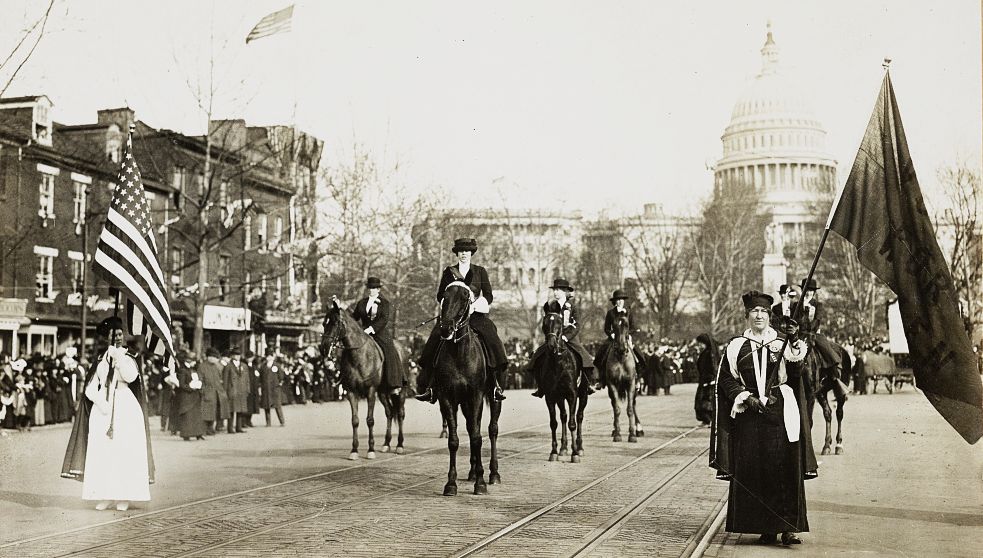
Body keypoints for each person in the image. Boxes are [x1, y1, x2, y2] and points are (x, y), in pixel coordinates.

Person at [710, 290, 816, 546]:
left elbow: (796, 371)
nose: (759, 316)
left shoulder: (782, 343)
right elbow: (725, 378)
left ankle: (789, 527)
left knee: (785, 467)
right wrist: (745, 397)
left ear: (770, 316)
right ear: (747, 315)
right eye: (754, 312)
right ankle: (765, 526)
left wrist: (793, 339)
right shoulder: (736, 346)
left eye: (764, 312)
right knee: (756, 470)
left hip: (780, 410)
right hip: (750, 413)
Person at [61, 316, 154, 511]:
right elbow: (90, 387)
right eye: (114, 334)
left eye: (120, 334)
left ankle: (124, 496)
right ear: (107, 337)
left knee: (123, 451)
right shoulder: (101, 360)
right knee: (103, 452)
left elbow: (131, 377)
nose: (118, 337)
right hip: (104, 409)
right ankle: (105, 493)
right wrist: (100, 402)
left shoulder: (129, 357)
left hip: (125, 405)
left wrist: (119, 358)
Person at [415, 237, 507, 403]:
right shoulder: (448, 272)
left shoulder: (480, 271)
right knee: (434, 340)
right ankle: (429, 386)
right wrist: (448, 308)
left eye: (467, 251)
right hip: (452, 316)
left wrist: (475, 306)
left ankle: (495, 384)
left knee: (492, 338)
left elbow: (488, 295)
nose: (464, 254)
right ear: (457, 254)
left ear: (471, 253)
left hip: (475, 315)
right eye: (461, 251)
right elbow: (440, 295)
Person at [529, 278, 599, 397]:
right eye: (554, 290)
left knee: (585, 358)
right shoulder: (551, 306)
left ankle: (587, 384)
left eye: (558, 290)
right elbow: (546, 323)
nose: (555, 292)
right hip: (554, 339)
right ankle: (541, 386)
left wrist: (566, 337)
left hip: (570, 339)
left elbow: (577, 325)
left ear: (565, 291)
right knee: (537, 356)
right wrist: (549, 335)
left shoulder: (573, 307)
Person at [351, 277, 406, 395]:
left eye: (374, 288)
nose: (372, 290)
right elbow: (354, 318)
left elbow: (384, 319)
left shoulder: (384, 303)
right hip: (363, 333)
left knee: (390, 350)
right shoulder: (361, 303)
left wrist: (371, 329)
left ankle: (394, 383)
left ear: (378, 289)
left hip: (379, 332)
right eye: (370, 288)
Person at [592, 289, 646, 386]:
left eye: (622, 299)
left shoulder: (629, 312)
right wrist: (611, 334)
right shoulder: (610, 313)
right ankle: (601, 379)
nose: (620, 301)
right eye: (618, 299)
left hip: (626, 337)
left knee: (639, 354)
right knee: (601, 353)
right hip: (613, 338)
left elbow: (633, 327)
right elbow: (606, 328)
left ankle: (638, 377)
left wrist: (629, 335)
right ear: (615, 301)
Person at [176, 351, 205, 441]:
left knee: (196, 415)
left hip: (195, 396)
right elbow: (181, 385)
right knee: (188, 416)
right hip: (187, 397)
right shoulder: (182, 370)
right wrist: (191, 387)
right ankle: (186, 434)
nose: (195, 363)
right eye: (193, 361)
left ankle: (198, 433)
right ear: (189, 360)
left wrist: (198, 386)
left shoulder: (193, 369)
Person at [199, 347, 228, 435]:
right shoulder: (202, 366)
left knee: (214, 412)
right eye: (215, 358)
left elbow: (219, 379)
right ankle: (205, 429)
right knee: (206, 412)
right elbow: (200, 380)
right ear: (210, 357)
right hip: (207, 392)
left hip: (216, 392)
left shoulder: (216, 367)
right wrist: (203, 391)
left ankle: (211, 428)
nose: (217, 359)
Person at [694, 333, 719, 425]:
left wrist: (710, 379)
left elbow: (713, 368)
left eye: (701, 343)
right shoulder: (705, 353)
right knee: (703, 400)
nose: (699, 345)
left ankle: (708, 419)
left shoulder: (710, 354)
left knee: (707, 400)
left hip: (709, 381)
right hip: (704, 380)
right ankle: (706, 419)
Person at [222, 347, 249, 433]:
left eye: (239, 355)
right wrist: (225, 391)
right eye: (235, 355)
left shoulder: (244, 366)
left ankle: (239, 427)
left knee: (240, 410)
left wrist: (247, 389)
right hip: (232, 390)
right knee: (231, 410)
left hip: (242, 390)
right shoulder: (228, 366)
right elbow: (225, 380)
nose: (237, 357)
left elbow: (247, 379)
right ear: (232, 356)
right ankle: (230, 428)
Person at [258, 352, 286, 426]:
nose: (269, 358)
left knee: (277, 406)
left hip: (274, 389)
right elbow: (260, 377)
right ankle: (268, 422)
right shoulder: (263, 366)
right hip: (266, 389)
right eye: (267, 357)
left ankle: (282, 421)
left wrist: (279, 383)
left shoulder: (277, 365)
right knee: (266, 406)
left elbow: (281, 376)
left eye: (270, 356)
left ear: (273, 357)